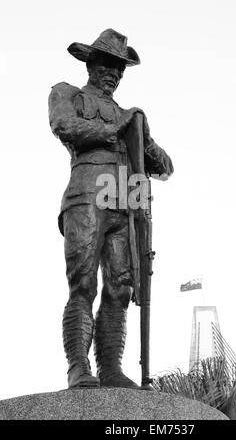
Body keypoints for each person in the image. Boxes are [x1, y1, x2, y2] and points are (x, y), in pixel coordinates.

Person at [48, 29, 173, 389]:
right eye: (108, 64)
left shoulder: (127, 115)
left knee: (120, 288)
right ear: (91, 63)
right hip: (87, 195)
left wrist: (143, 134)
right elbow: (64, 125)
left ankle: (111, 369)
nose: (114, 73)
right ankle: (77, 366)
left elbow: (164, 166)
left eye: (119, 68)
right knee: (83, 283)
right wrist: (117, 127)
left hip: (125, 202)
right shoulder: (67, 93)